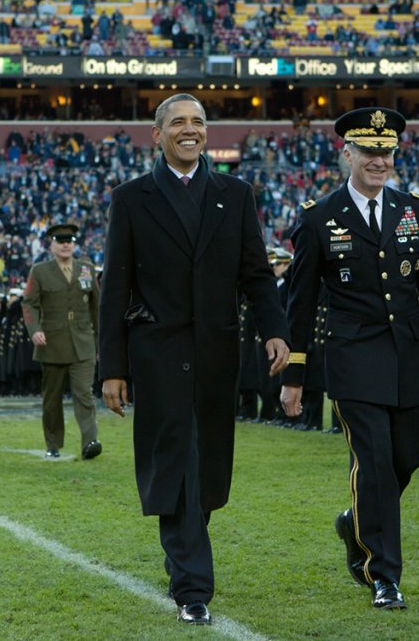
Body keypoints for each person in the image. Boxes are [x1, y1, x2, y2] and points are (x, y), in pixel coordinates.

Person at [280, 107, 419, 611]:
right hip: (353, 361)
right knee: (373, 465)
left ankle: (355, 521)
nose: (378, 160)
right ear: (346, 153)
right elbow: (299, 305)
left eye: (386, 152)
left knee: (403, 462)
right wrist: (295, 376)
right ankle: (383, 575)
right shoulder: (318, 216)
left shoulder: (414, 210)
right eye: (368, 151)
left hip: (410, 358)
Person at [100, 94, 290, 627]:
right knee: (179, 464)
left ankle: (183, 547)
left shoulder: (235, 193)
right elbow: (115, 287)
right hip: (157, 357)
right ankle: (193, 587)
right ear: (156, 135)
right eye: (179, 122)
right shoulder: (131, 198)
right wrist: (112, 368)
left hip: (216, 356)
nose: (191, 130)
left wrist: (276, 331)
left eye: (199, 122)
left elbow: (256, 273)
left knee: (205, 474)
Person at [22, 223, 102, 460]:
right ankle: (53, 443)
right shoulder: (40, 271)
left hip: (83, 342)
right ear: (52, 245)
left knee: (84, 393)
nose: (66, 244)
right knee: (52, 399)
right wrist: (34, 329)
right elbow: (29, 303)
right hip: (52, 343)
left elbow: (97, 305)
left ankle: (90, 441)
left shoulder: (86, 269)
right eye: (61, 240)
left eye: (70, 240)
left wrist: (101, 341)